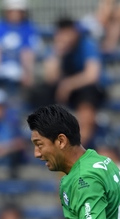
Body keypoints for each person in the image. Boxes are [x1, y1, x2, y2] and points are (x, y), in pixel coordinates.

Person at [33, 19, 106, 148]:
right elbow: (51, 78)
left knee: (87, 105)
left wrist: (68, 85)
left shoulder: (87, 45)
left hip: (85, 89)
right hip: (64, 91)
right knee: (40, 93)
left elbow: (92, 75)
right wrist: (57, 54)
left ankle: (79, 147)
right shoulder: (55, 49)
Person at [0, 0, 39, 92]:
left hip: (19, 69)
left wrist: (28, 73)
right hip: (0, 68)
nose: (15, 14)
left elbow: (28, 53)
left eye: (18, 11)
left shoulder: (28, 28)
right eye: (12, 11)